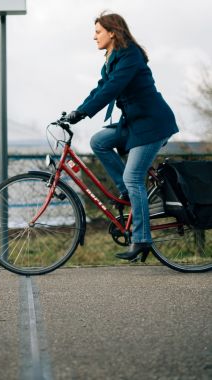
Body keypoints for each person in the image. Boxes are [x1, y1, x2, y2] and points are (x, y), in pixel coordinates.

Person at [66, 12, 179, 261]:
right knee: (99, 141)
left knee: (134, 176)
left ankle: (142, 239)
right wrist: (77, 111)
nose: (94, 36)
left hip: (153, 125)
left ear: (112, 32)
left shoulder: (130, 56)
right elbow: (100, 87)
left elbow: (112, 89)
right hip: (134, 123)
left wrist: (84, 113)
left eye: (97, 32)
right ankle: (125, 192)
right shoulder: (112, 58)